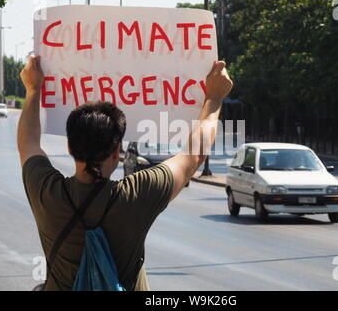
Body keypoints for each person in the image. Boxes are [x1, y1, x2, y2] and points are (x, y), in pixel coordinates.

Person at [18, 56, 233, 291]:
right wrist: (213, 98)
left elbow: (28, 141)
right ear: (116, 151)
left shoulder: (47, 192)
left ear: (70, 148)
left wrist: (33, 89)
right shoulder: (137, 194)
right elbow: (193, 157)